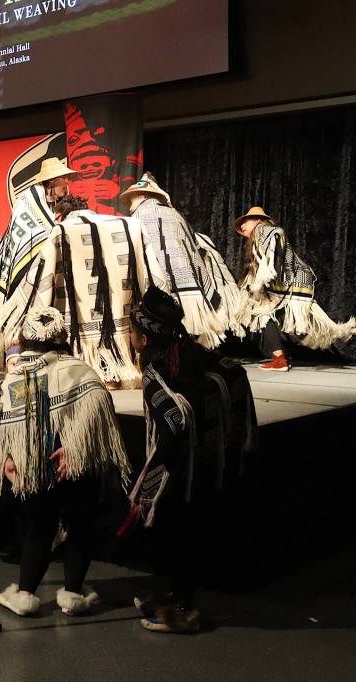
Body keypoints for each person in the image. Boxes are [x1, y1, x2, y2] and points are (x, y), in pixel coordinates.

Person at [0, 306, 131, 616]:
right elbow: (100, 409)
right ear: (62, 338)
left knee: (39, 529)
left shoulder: (17, 378)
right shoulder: (80, 370)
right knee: (80, 526)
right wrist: (75, 449)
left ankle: (25, 594)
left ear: (26, 340)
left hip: (36, 467)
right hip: (74, 468)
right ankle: (72, 594)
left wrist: (7, 458)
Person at [0, 195, 159, 388]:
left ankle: (92, 376)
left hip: (80, 318)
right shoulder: (128, 225)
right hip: (119, 313)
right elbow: (151, 274)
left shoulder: (61, 230)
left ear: (59, 216)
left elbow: (42, 278)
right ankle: (115, 372)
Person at [125, 287, 209, 633]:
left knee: (176, 539)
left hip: (177, 470)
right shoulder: (184, 353)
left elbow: (174, 420)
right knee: (180, 538)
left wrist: (151, 476)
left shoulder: (156, 372)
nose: (129, 336)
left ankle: (183, 611)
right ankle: (174, 598)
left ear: (144, 339)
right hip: (196, 461)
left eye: (131, 331)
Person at [122, 173, 241, 349]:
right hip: (189, 282)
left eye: (131, 200)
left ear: (141, 195)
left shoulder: (139, 215)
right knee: (189, 326)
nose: (130, 206)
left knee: (163, 325)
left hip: (160, 281)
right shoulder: (175, 214)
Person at [235, 206, 356, 370]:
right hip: (293, 281)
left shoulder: (262, 229)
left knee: (265, 315)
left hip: (292, 281)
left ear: (257, 220)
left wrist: (260, 279)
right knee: (275, 317)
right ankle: (340, 332)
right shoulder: (257, 238)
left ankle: (281, 359)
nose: (242, 226)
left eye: (246, 221)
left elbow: (275, 238)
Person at [0, 158, 77, 315]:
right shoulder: (29, 198)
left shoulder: (55, 201)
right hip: (23, 254)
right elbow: (29, 232)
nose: (67, 184)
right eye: (64, 180)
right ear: (53, 182)